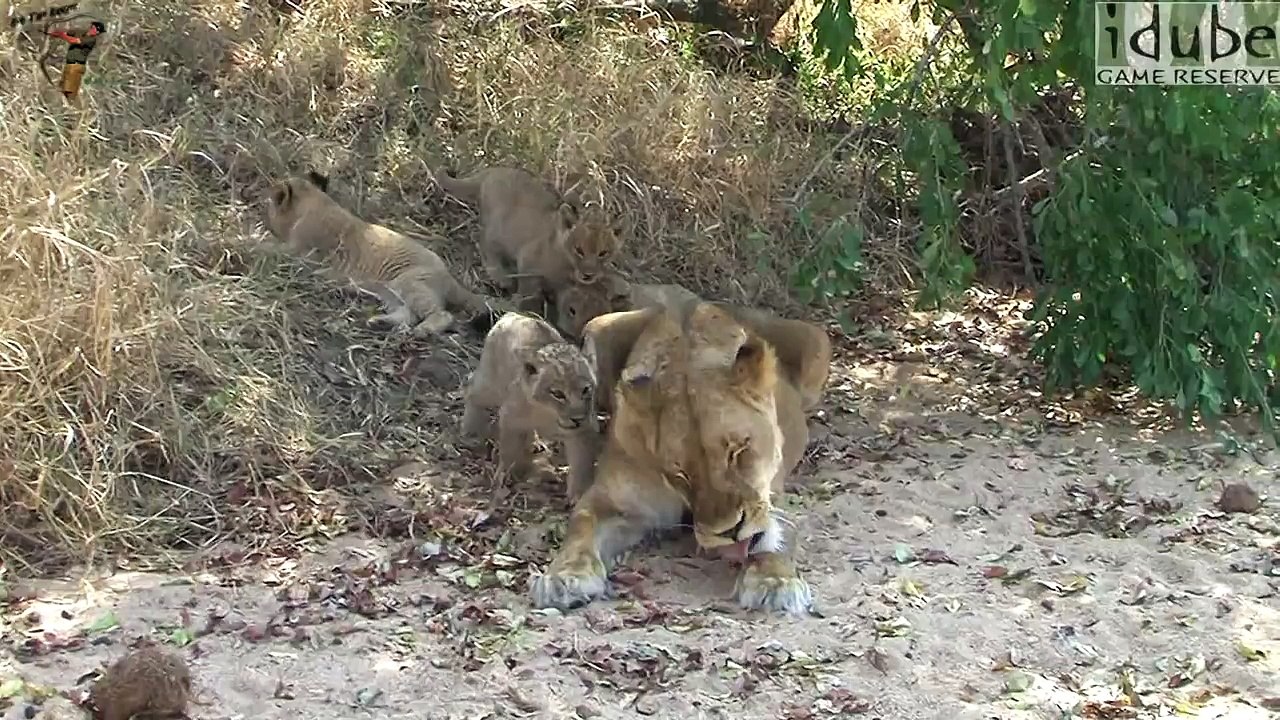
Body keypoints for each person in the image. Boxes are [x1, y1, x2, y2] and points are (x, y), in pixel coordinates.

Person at [46, 20, 105, 101]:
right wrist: (57, 33)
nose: (93, 30)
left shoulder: (91, 40)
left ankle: (70, 105)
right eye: (93, 27)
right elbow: (69, 33)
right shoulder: (81, 33)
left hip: (77, 66)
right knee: (62, 86)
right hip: (69, 64)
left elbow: (74, 40)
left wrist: (62, 35)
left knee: (69, 90)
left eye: (96, 30)